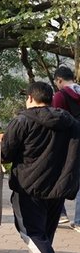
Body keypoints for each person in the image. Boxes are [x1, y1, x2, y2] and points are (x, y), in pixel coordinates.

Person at [0, 81, 80, 253]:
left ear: (31, 98)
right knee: (46, 230)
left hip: (29, 187)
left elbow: (5, 152)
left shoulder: (23, 121)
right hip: (58, 187)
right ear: (50, 99)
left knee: (31, 231)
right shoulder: (71, 123)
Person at [51, 65, 80, 232]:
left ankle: (60, 214)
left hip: (67, 144)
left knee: (58, 176)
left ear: (59, 80)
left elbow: (56, 121)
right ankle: (79, 221)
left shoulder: (60, 96)